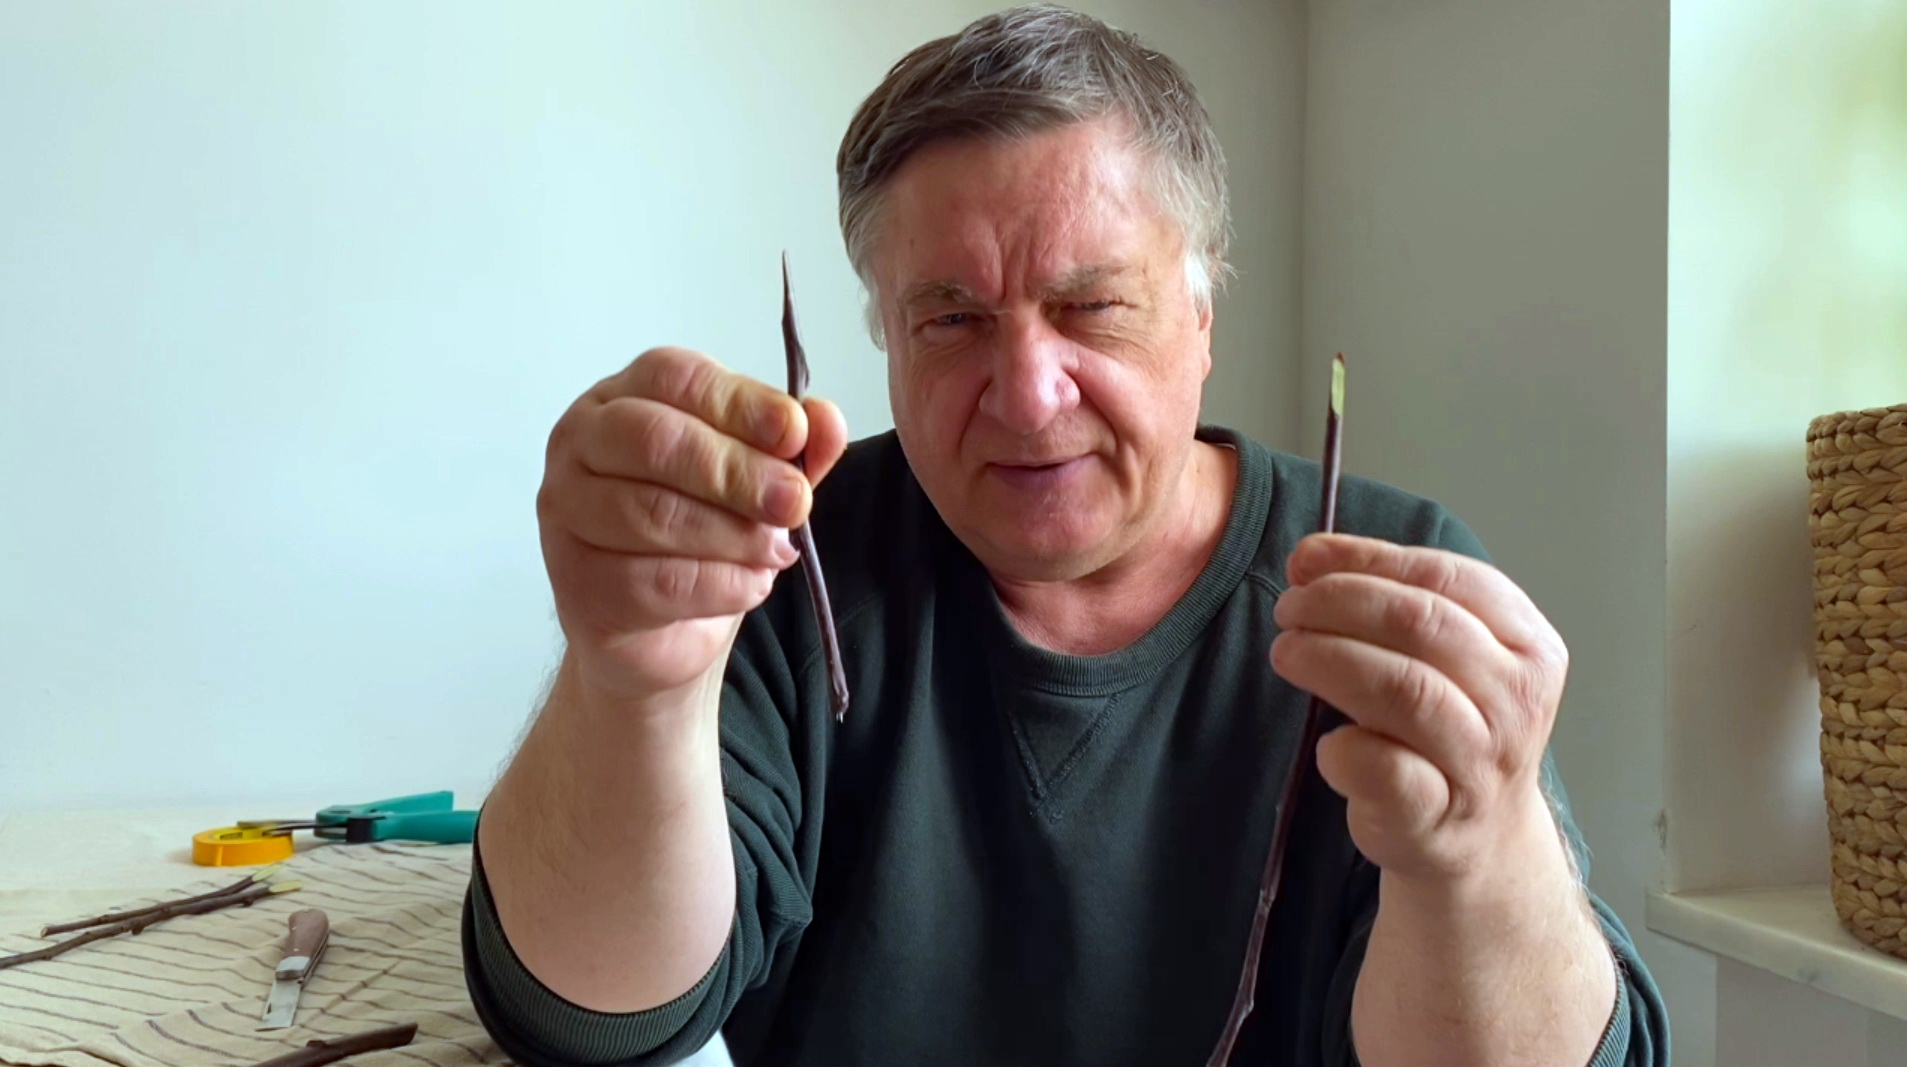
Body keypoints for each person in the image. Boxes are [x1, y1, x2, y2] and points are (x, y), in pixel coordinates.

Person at [461, 6, 1670, 1065]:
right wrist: (629, 684)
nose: (1028, 395)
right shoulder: (781, 561)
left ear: (1200, 310)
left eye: (1091, 306)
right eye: (950, 320)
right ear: (883, 334)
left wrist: (1481, 853)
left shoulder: (1386, 584)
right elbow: (592, 1015)